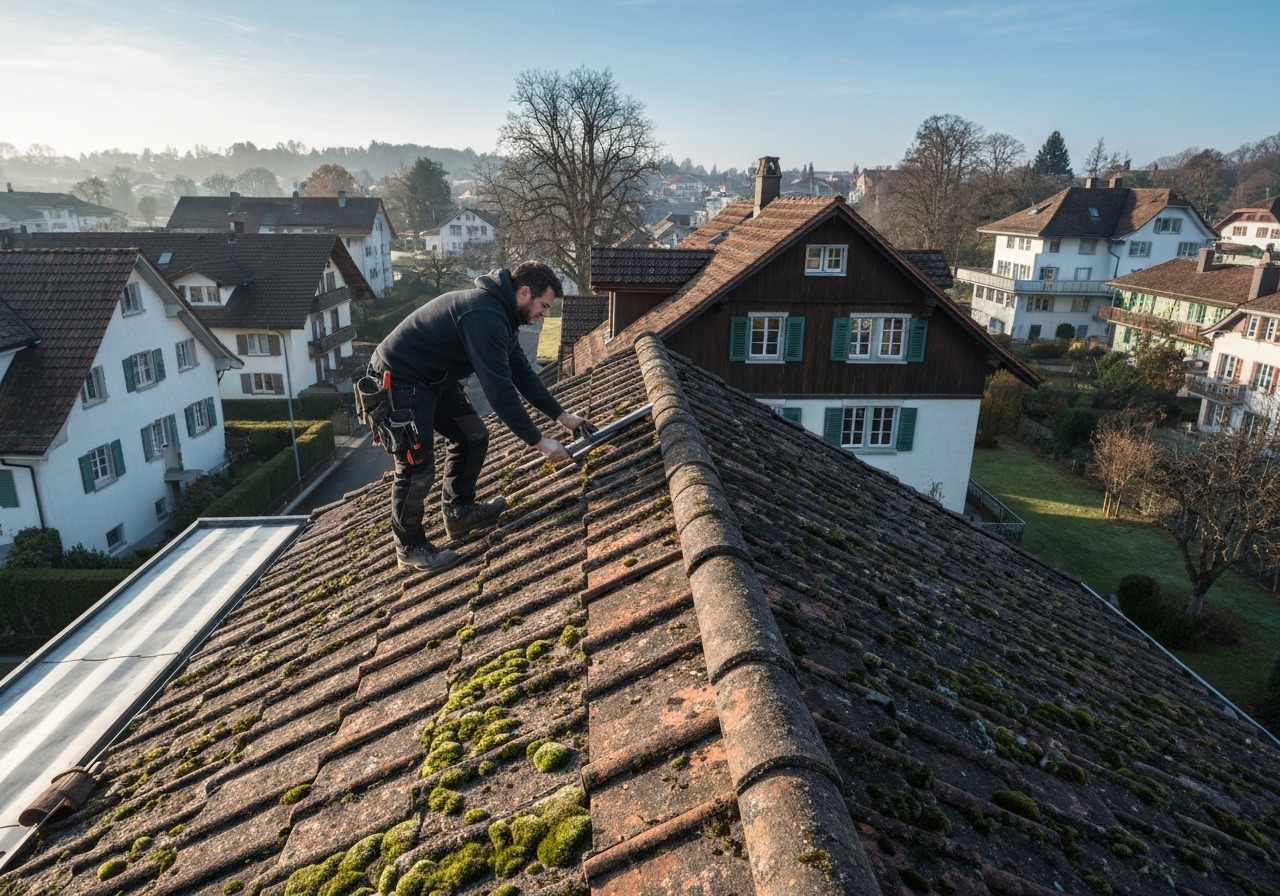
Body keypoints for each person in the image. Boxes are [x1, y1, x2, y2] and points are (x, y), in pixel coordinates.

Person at [369, 261, 591, 571]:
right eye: (543, 305)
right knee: (416, 465)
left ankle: (459, 513)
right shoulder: (484, 315)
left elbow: (522, 374)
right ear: (525, 292)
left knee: (473, 435)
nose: (545, 314)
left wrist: (563, 416)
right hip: (400, 378)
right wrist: (540, 442)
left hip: (433, 379)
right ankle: (409, 546)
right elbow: (499, 390)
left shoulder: (503, 315)